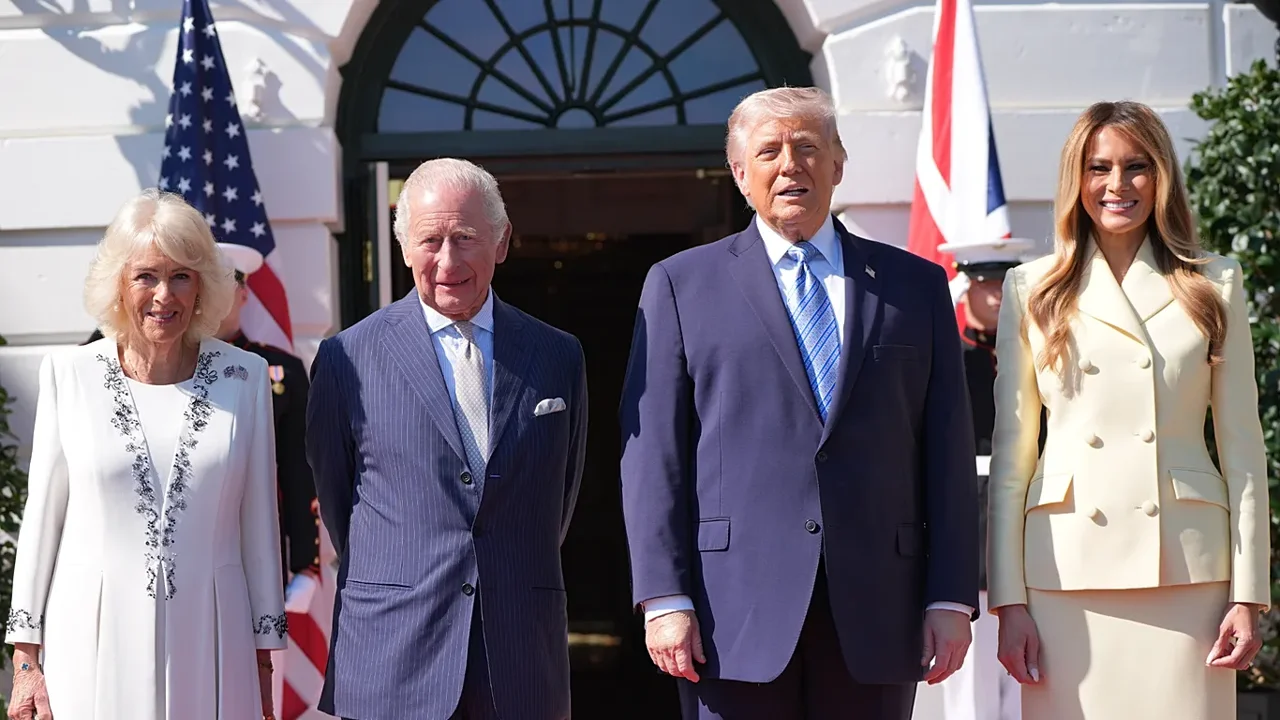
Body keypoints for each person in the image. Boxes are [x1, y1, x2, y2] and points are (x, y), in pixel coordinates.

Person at [618, 86, 979, 720]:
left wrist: (949, 596)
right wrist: (664, 597)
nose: (791, 165)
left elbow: (947, 450)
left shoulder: (915, 286)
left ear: (838, 164)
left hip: (879, 607)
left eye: (808, 147)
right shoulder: (680, 284)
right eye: (769, 151)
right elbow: (655, 457)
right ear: (739, 173)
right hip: (730, 613)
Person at [988, 100, 1270, 720]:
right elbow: (1013, 460)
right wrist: (1009, 601)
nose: (1118, 184)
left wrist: (1249, 594)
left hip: (1188, 572)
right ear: (1077, 179)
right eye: (1099, 168)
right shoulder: (1031, 288)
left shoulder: (1214, 284)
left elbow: (1244, 452)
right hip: (1064, 572)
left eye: (1137, 166)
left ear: (1162, 175)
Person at [306, 157, 588, 720]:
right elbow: (340, 506)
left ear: (501, 242)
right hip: (392, 657)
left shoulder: (558, 355)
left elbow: (560, 499)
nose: (447, 261)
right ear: (404, 247)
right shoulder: (346, 359)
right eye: (430, 240)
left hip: (518, 657)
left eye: (465, 238)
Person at [5, 188, 287, 720]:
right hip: (89, 643)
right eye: (146, 276)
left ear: (203, 286)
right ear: (119, 283)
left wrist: (264, 660)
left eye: (181, 276)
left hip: (215, 642)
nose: (164, 295)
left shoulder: (245, 377)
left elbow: (260, 528)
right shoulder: (69, 376)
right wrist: (25, 662)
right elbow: (41, 525)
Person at [84, 243, 320, 591]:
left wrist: (305, 565)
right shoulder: (137, 361)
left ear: (243, 293)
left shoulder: (271, 371)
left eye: (224, 285)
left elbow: (298, 472)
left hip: (239, 554)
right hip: (134, 551)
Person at [934, 238, 1032, 720]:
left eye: (1002, 285)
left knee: (1028, 667)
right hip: (970, 509)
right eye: (984, 284)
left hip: (1029, 511)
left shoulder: (1037, 354)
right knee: (970, 665)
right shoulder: (947, 357)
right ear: (964, 288)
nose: (995, 296)